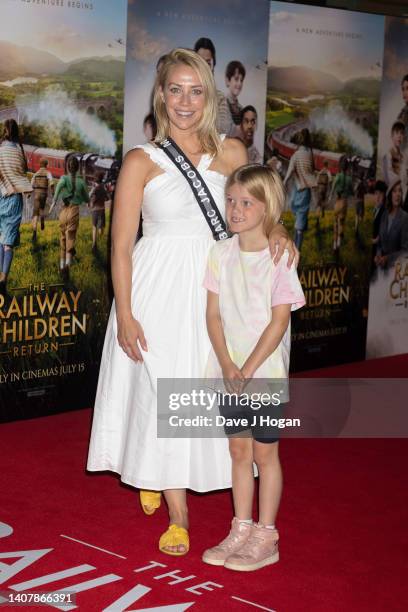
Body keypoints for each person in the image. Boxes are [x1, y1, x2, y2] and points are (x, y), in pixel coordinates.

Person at [86, 48, 297, 557]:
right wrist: (127, 314)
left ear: (208, 97)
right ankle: (179, 513)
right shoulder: (141, 159)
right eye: (174, 89)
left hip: (217, 290)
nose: (184, 100)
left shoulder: (231, 151)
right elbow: (120, 246)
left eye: (195, 90)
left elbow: (257, 210)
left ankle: (193, 490)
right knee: (164, 396)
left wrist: (280, 232)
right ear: (161, 95)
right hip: (157, 291)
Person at [202, 164, 305, 571]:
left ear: (267, 208)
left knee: (266, 453)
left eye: (246, 203)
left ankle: (266, 535)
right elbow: (212, 315)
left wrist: (247, 367)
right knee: (238, 450)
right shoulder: (219, 254)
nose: (236, 209)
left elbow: (279, 321)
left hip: (263, 375)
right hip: (230, 375)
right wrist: (228, 365)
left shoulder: (279, 257)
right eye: (231, 200)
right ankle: (240, 528)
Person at [0, 119, 32, 295]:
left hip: (0, 195)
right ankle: (3, 279)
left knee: (0, 237)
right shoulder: (19, 151)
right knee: (8, 243)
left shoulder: (0, 150)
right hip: (13, 199)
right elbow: (24, 171)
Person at [50, 156, 89, 279]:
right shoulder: (81, 182)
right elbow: (86, 199)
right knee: (70, 240)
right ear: (77, 167)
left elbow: (56, 195)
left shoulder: (63, 179)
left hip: (63, 212)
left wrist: (52, 206)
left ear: (67, 167)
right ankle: (67, 267)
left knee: (62, 239)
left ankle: (61, 267)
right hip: (73, 211)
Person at [283, 127, 316, 250]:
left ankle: (296, 249)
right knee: (300, 220)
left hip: (297, 190)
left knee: (298, 218)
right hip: (306, 191)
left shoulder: (296, 155)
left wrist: (284, 182)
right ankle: (297, 245)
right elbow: (312, 170)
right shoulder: (309, 154)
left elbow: (290, 171)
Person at [194, 37, 234, 136]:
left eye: (207, 63)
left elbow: (223, 130)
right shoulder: (184, 94)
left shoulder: (219, 97)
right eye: (200, 62)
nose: (204, 67)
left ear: (213, 65)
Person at [374, 179, 408, 269]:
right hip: (380, 270)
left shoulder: (405, 217)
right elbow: (380, 243)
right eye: (394, 191)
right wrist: (378, 255)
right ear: (389, 195)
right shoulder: (384, 214)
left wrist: (387, 258)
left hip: (395, 271)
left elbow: (405, 250)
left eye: (400, 191)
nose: (398, 194)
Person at [330, 156, 353, 251]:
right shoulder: (349, 179)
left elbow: (333, 187)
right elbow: (352, 192)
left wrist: (330, 196)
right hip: (345, 202)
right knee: (342, 222)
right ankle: (339, 241)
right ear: (347, 167)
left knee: (335, 222)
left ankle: (334, 244)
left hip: (337, 202)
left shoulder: (338, 176)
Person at [31, 158, 53, 242]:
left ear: (40, 165)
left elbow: (31, 184)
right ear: (46, 165)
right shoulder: (48, 173)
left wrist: (29, 194)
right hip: (44, 194)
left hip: (36, 194)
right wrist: (53, 192)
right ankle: (42, 219)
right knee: (42, 209)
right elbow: (51, 182)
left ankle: (34, 232)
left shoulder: (36, 173)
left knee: (35, 213)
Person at [88, 172, 109, 253]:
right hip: (102, 209)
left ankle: (94, 244)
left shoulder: (94, 188)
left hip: (95, 210)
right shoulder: (103, 188)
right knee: (101, 228)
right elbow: (107, 198)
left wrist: (90, 202)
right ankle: (100, 233)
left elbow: (89, 196)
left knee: (94, 227)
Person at [371, 180, 387, 273]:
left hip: (376, 253)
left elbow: (381, 237)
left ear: (384, 196)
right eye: (376, 193)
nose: (378, 197)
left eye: (381, 194)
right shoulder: (371, 209)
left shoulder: (385, 213)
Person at [382, 121, 405, 186]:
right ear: (392, 136)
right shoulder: (388, 155)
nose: (399, 136)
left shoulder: (402, 157)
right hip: (391, 191)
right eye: (397, 133)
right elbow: (387, 179)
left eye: (402, 133)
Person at [225, 60, 246, 126]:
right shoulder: (221, 106)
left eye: (241, 80)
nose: (239, 83)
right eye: (236, 79)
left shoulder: (241, 109)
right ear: (228, 80)